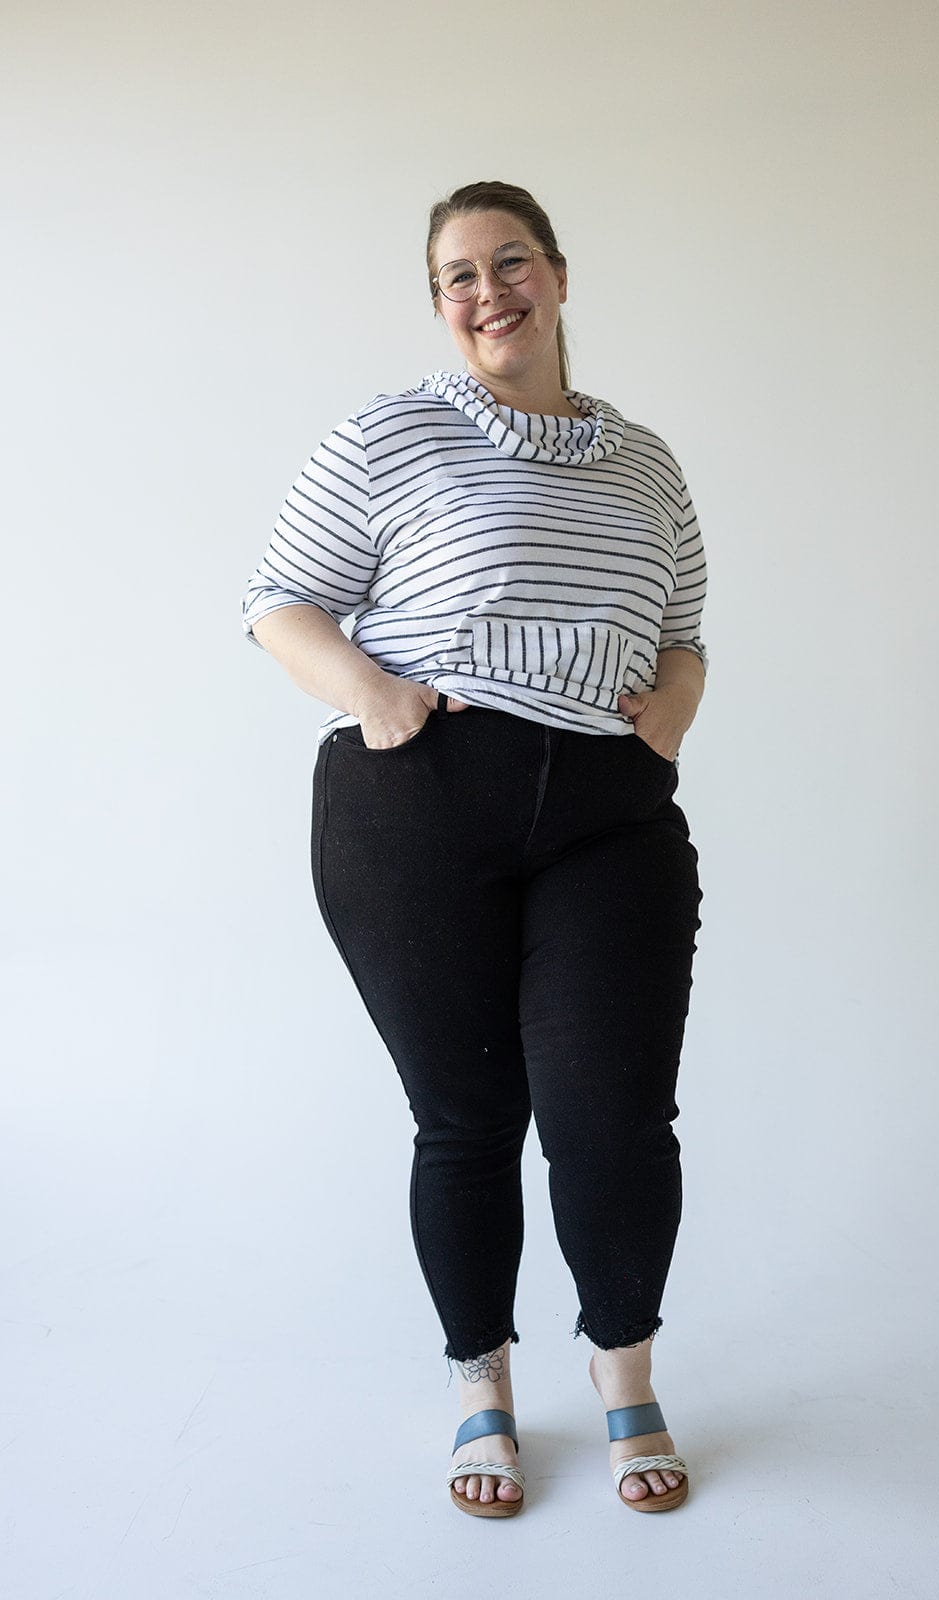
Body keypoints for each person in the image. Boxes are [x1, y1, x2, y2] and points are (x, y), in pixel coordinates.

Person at [242, 180, 706, 1518]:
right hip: (422, 802)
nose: (487, 291)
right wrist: (379, 698)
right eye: (457, 276)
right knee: (467, 1123)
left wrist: (669, 716)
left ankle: (626, 1380)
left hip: (609, 815)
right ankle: (481, 1390)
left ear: (558, 276)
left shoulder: (646, 462)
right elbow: (277, 599)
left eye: (511, 263)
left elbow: (681, 623)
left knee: (612, 1120)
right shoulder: (394, 435)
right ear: (439, 304)